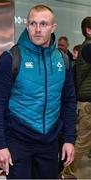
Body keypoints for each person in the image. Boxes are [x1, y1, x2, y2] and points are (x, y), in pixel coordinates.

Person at [0, 4, 76, 179]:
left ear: (53, 27)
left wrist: (69, 139)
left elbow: (68, 101)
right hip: (18, 142)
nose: (37, 29)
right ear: (27, 26)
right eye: (32, 23)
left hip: (50, 142)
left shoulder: (63, 61)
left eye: (43, 24)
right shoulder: (11, 58)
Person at [60, 16, 91, 179]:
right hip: (88, 104)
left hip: (87, 102)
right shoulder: (88, 48)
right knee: (82, 143)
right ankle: (66, 172)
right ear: (88, 31)